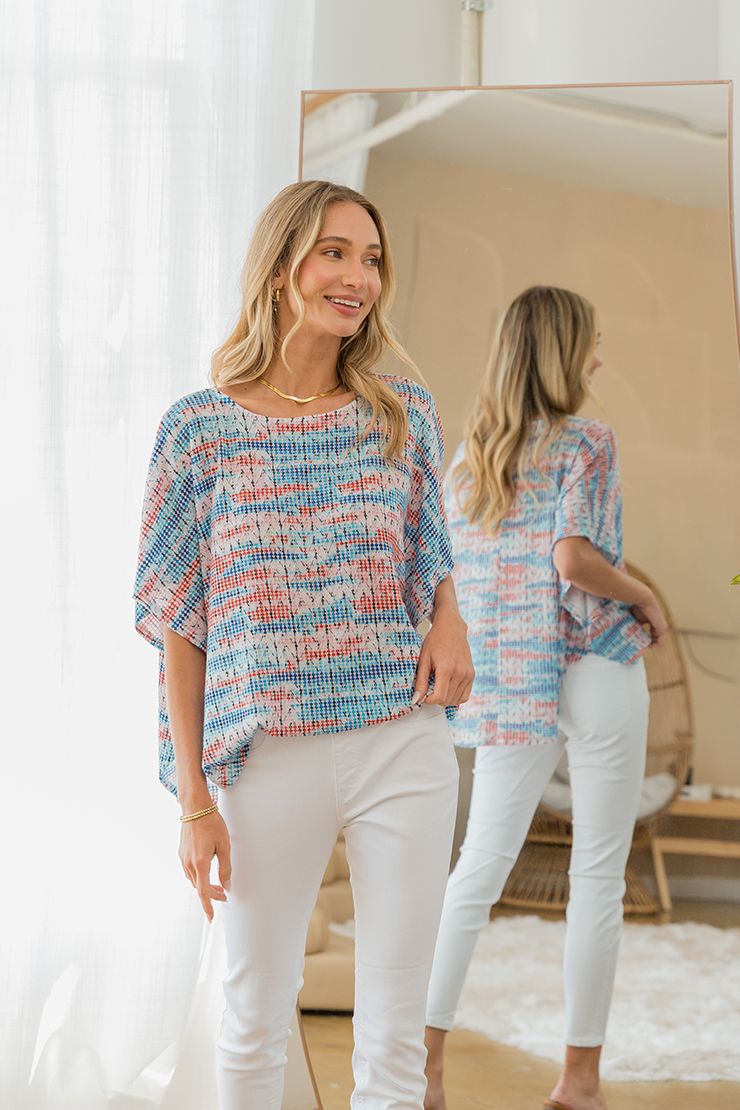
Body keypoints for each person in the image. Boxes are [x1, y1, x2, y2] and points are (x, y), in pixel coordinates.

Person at [133, 179, 475, 1109]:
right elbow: (181, 627)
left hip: (402, 737)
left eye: (372, 260)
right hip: (267, 752)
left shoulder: (401, 413)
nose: (357, 277)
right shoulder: (199, 430)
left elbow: (431, 550)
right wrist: (194, 803)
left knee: (395, 1037)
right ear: (282, 265)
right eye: (335, 252)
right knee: (252, 1015)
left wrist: (449, 617)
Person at [423, 286, 667, 1110]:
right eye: (590, 343)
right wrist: (643, 595)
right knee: (597, 875)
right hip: (596, 665)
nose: (598, 358)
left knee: (477, 869)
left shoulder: (469, 462)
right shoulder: (588, 441)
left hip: (513, 683)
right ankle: (578, 1080)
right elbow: (572, 560)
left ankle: (424, 1065)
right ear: (563, 352)